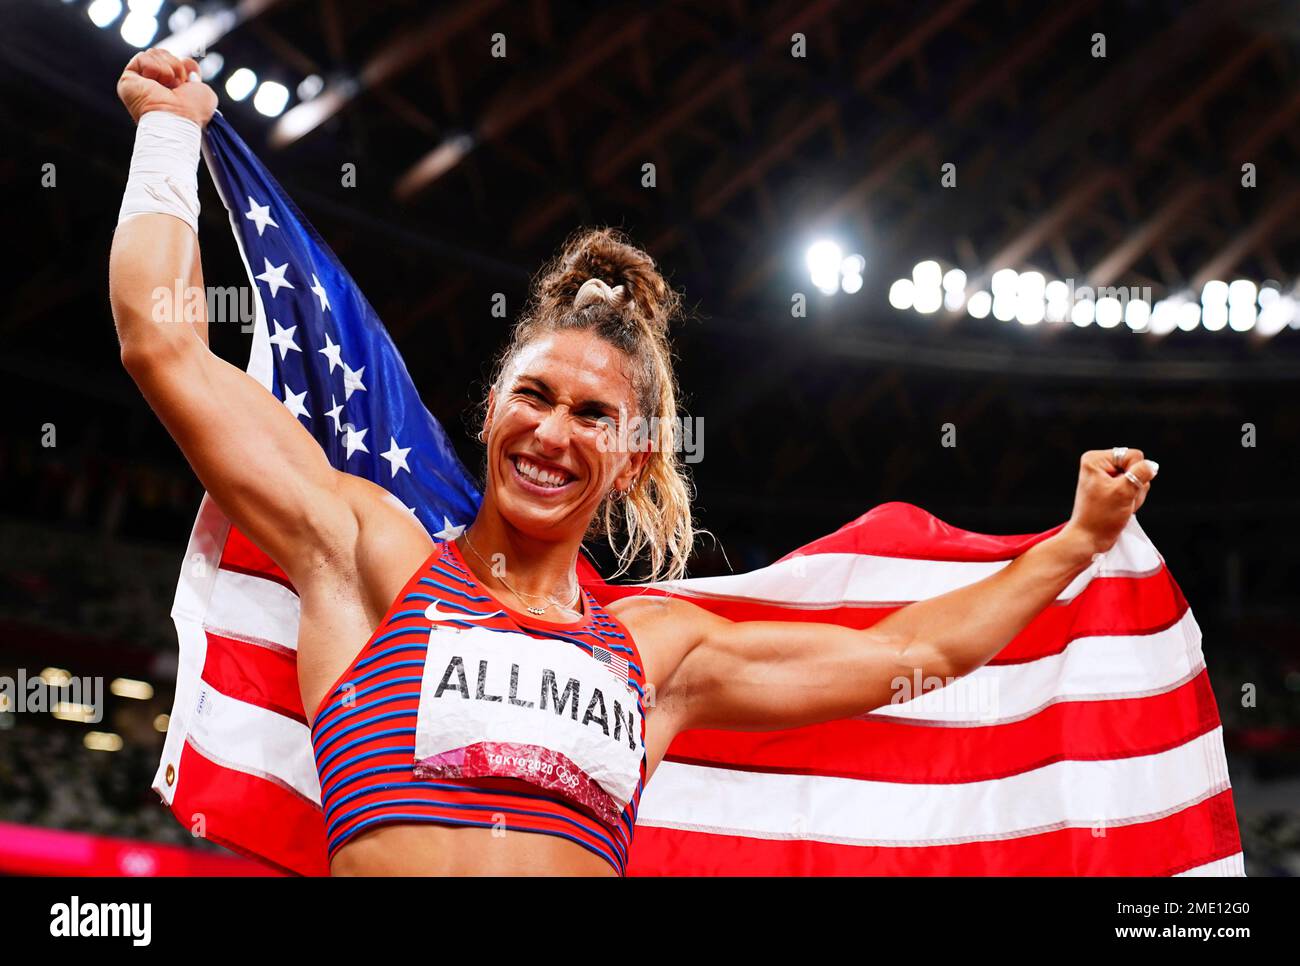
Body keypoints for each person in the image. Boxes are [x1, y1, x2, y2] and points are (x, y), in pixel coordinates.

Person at [109, 49, 1158, 876]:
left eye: (591, 415)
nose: (552, 432)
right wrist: (166, 135)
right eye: (532, 395)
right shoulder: (369, 555)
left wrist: (1076, 544)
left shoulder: (659, 655)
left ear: (633, 458)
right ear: (489, 412)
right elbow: (165, 345)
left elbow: (904, 654)